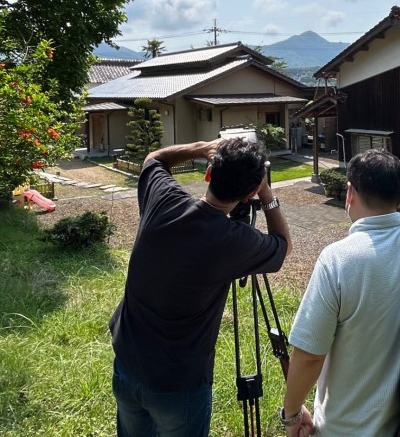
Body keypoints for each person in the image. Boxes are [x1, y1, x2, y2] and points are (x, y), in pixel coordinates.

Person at [109, 138, 291, 437]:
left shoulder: (164, 200)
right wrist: (267, 194)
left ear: (208, 173)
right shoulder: (234, 242)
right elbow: (283, 247)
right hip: (179, 383)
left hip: (128, 362)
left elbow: (154, 158)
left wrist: (202, 146)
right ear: (249, 194)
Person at [280, 149, 400, 437]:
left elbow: (309, 355)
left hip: (345, 429)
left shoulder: (337, 259)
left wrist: (291, 416)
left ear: (349, 192)